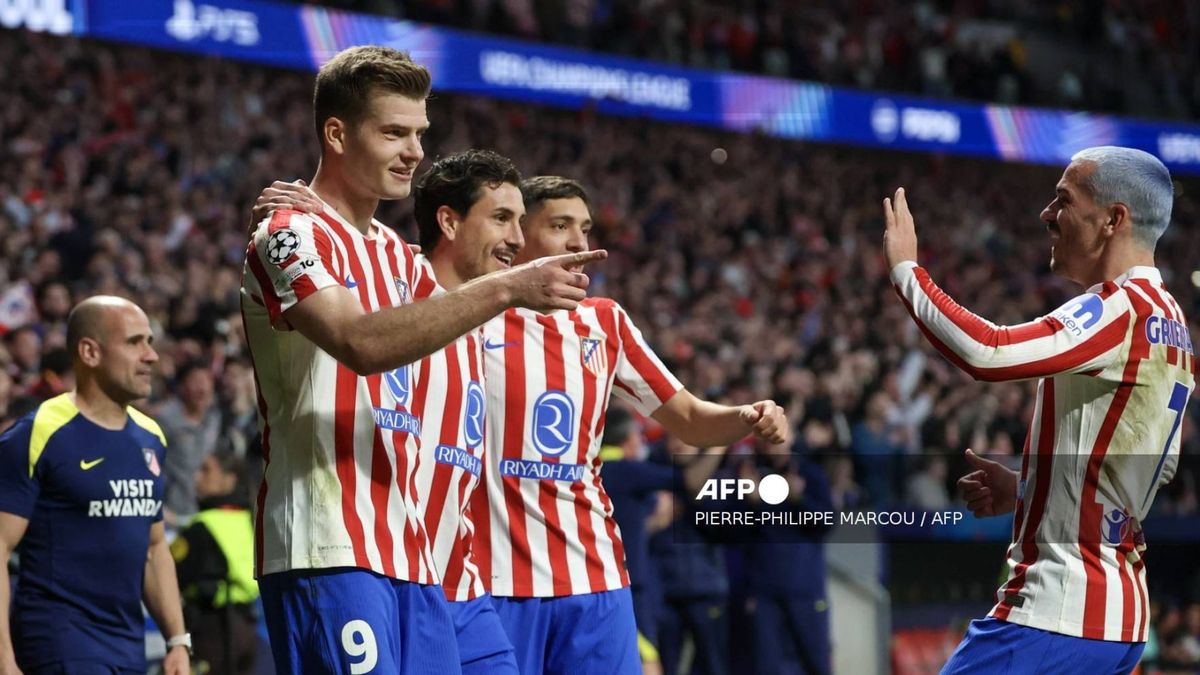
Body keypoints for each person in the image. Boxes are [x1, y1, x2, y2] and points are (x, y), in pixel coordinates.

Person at [240, 47, 603, 674]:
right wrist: (511, 288)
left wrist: (528, 258)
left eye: (419, 134)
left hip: (414, 557)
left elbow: (458, 292)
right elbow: (362, 344)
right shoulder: (288, 234)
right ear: (337, 133)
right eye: (393, 132)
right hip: (330, 545)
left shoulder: (401, 258)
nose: (414, 151)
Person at [882, 146, 1195, 673]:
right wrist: (1030, 490)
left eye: (1063, 201)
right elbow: (1136, 468)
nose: (1047, 215)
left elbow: (989, 351)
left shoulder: (1119, 308)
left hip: (1059, 610)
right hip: (1118, 620)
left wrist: (907, 271)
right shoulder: (1173, 324)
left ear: (1113, 219)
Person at [469, 176, 790, 675]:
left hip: (595, 576)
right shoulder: (467, 309)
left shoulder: (605, 323)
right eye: (560, 226)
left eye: (586, 228)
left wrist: (746, 417)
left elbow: (688, 418)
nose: (580, 243)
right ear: (517, 232)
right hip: (493, 582)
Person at [0, 296, 190, 675]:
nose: (151, 356)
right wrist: (5, 660)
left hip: (128, 645)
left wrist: (178, 641)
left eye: (150, 342)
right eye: (135, 342)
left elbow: (154, 550)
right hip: (59, 640)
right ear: (89, 352)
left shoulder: (151, 437)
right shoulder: (38, 433)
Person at [172, 450, 258, 675]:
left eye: (207, 470)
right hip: (247, 629)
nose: (197, 477)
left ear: (229, 479)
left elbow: (169, 578)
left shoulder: (201, 527)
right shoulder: (251, 519)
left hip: (209, 631)